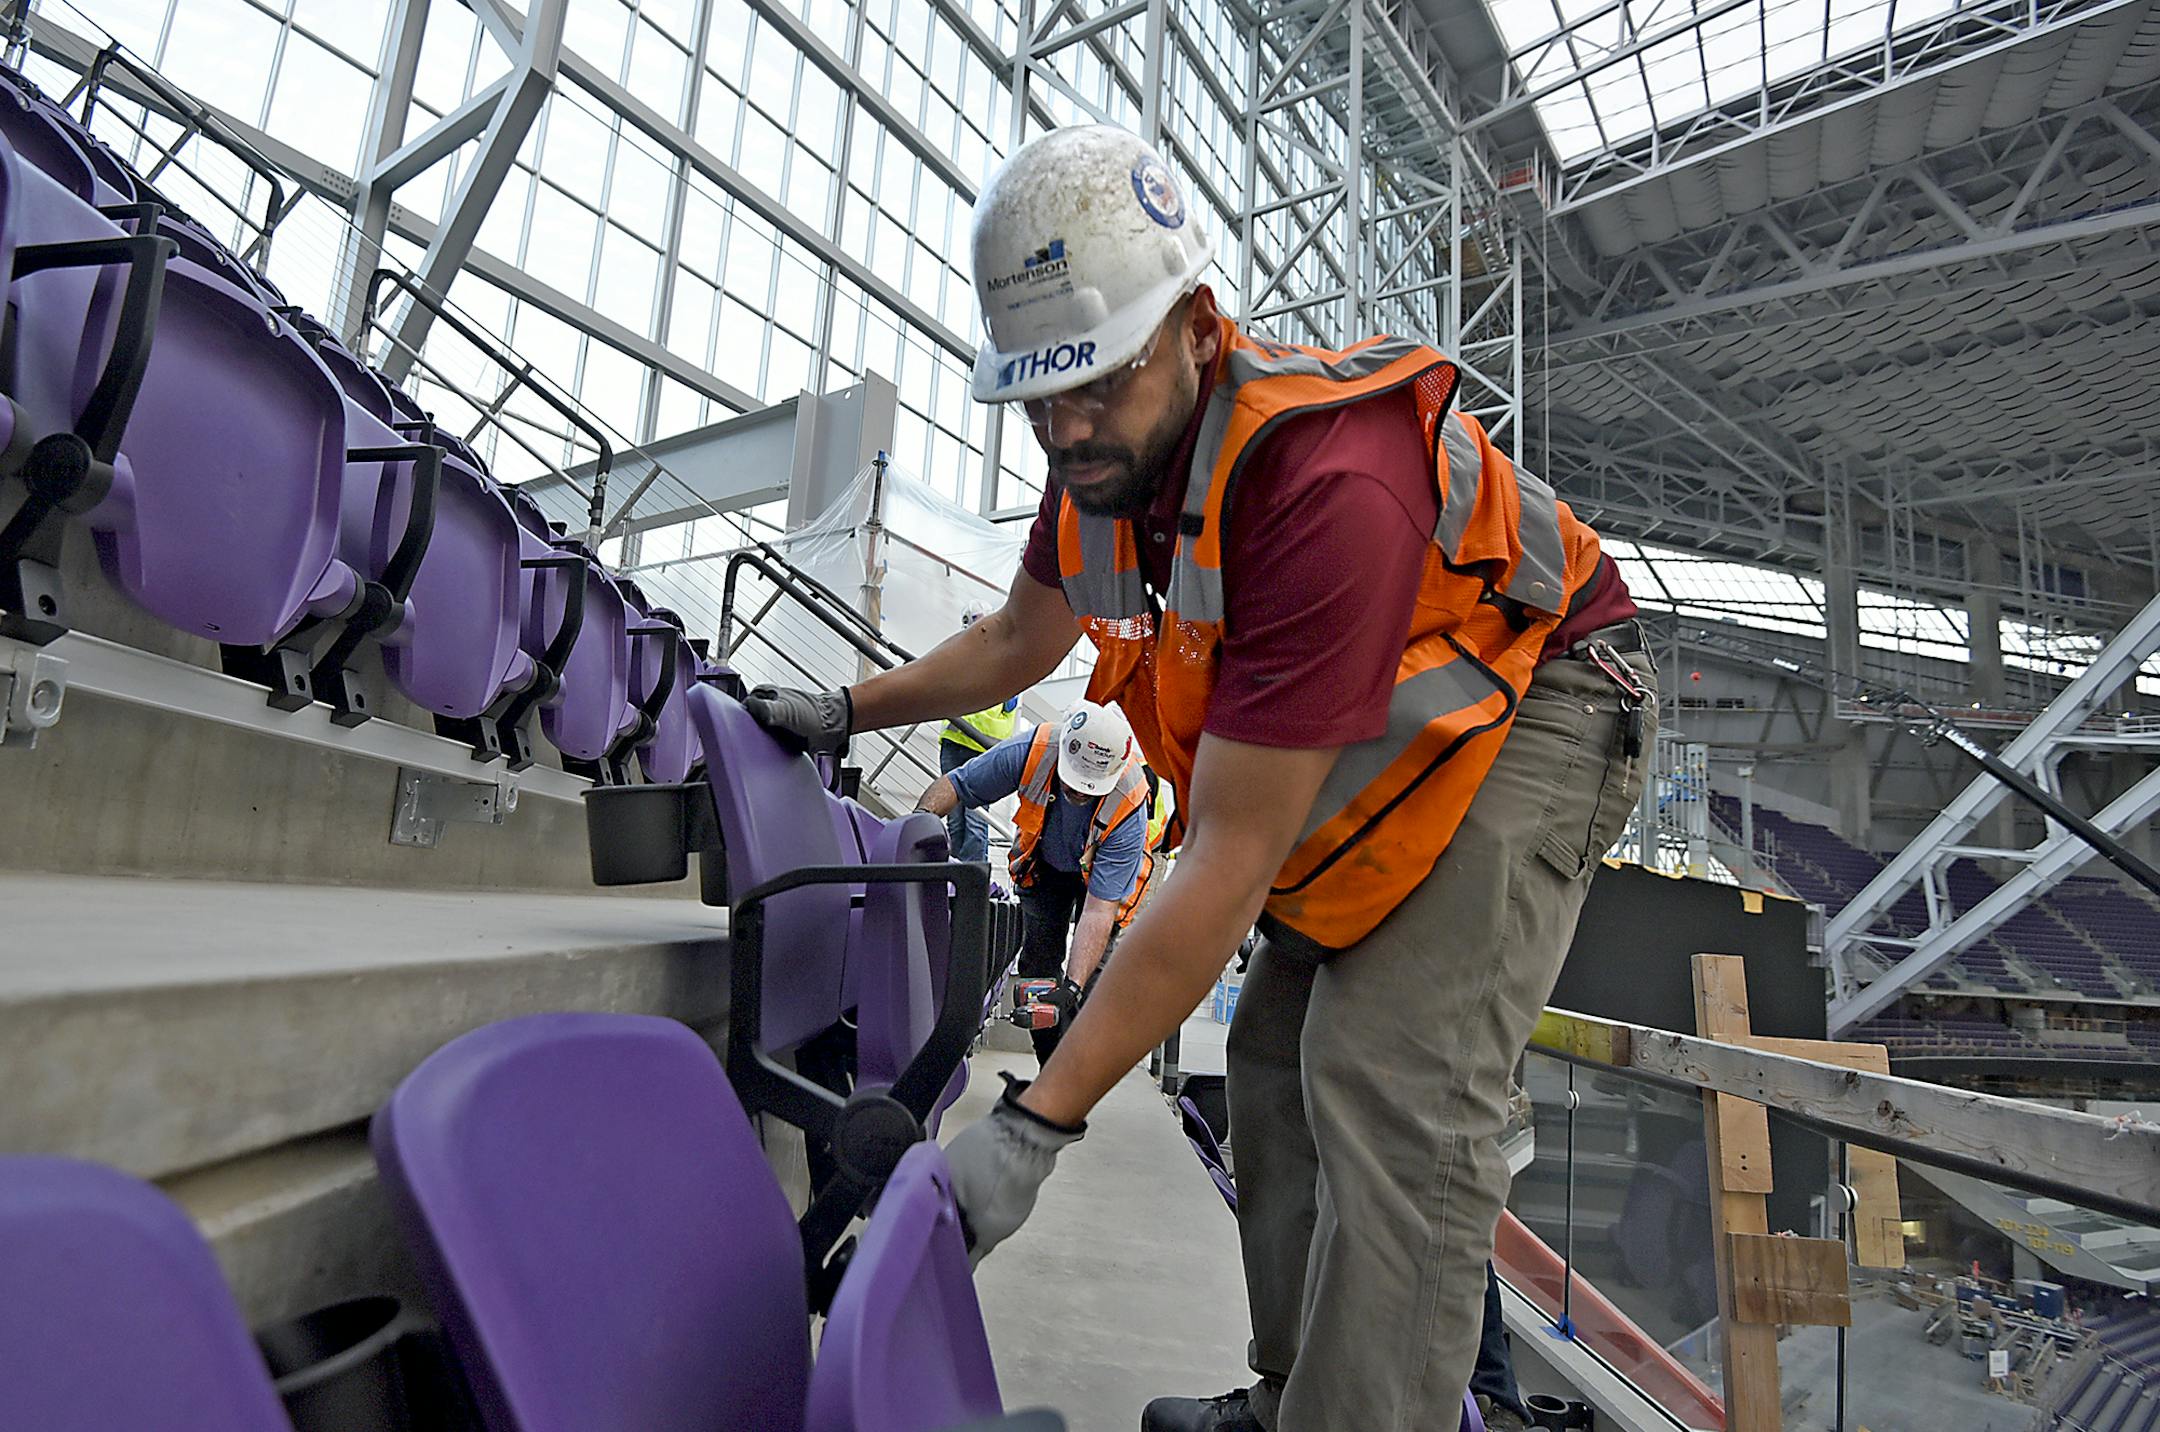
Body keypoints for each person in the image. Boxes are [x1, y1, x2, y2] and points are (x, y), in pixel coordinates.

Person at [741, 122, 1653, 1432]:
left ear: (1198, 333)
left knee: (1393, 1082)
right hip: (1401, 729)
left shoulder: (1319, 480)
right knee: (1276, 1052)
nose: (1067, 429)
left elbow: (1224, 862)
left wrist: (1041, 1123)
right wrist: (841, 706)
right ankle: (1295, 1401)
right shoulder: (1100, 465)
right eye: (1038, 399)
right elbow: (1015, 642)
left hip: (1548, 700)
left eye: (1098, 383)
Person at [918, 700, 1155, 1063]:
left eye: (1088, 790)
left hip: (1098, 884)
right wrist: (916, 828)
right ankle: (1050, 1075)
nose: (1077, 795)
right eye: (1072, 785)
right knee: (1038, 972)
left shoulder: (1129, 801)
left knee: (1091, 990)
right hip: (1044, 868)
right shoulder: (1036, 750)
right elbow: (958, 784)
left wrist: (1072, 987)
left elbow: (1098, 911)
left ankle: (1073, 1082)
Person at [939, 607, 1022, 866]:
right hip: (955, 745)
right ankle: (954, 879)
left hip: (982, 751)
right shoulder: (957, 659)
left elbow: (1006, 704)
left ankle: (970, 885)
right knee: (956, 821)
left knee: (975, 823)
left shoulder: (1007, 664)